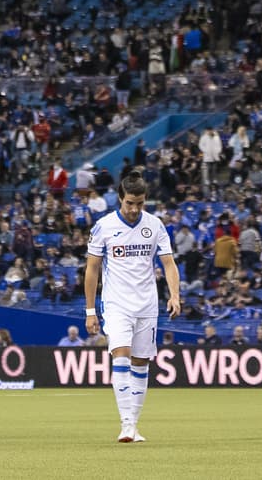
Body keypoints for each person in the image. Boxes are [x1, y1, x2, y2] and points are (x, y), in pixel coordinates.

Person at [84, 173, 180, 443]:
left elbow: (168, 263)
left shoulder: (155, 226)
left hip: (147, 305)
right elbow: (92, 270)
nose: (135, 209)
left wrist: (175, 295)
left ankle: (134, 424)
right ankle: (126, 424)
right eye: (129, 203)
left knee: (141, 363)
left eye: (139, 203)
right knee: (122, 357)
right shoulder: (103, 226)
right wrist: (90, 310)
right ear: (119, 199)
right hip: (116, 305)